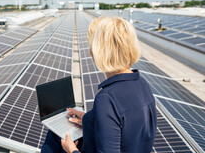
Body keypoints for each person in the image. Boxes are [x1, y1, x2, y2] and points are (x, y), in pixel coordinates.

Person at [41, 16, 157, 153]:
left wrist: (72, 150)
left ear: (99, 52)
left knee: (56, 140)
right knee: (57, 132)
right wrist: (86, 118)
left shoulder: (107, 98)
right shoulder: (142, 84)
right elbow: (123, 126)